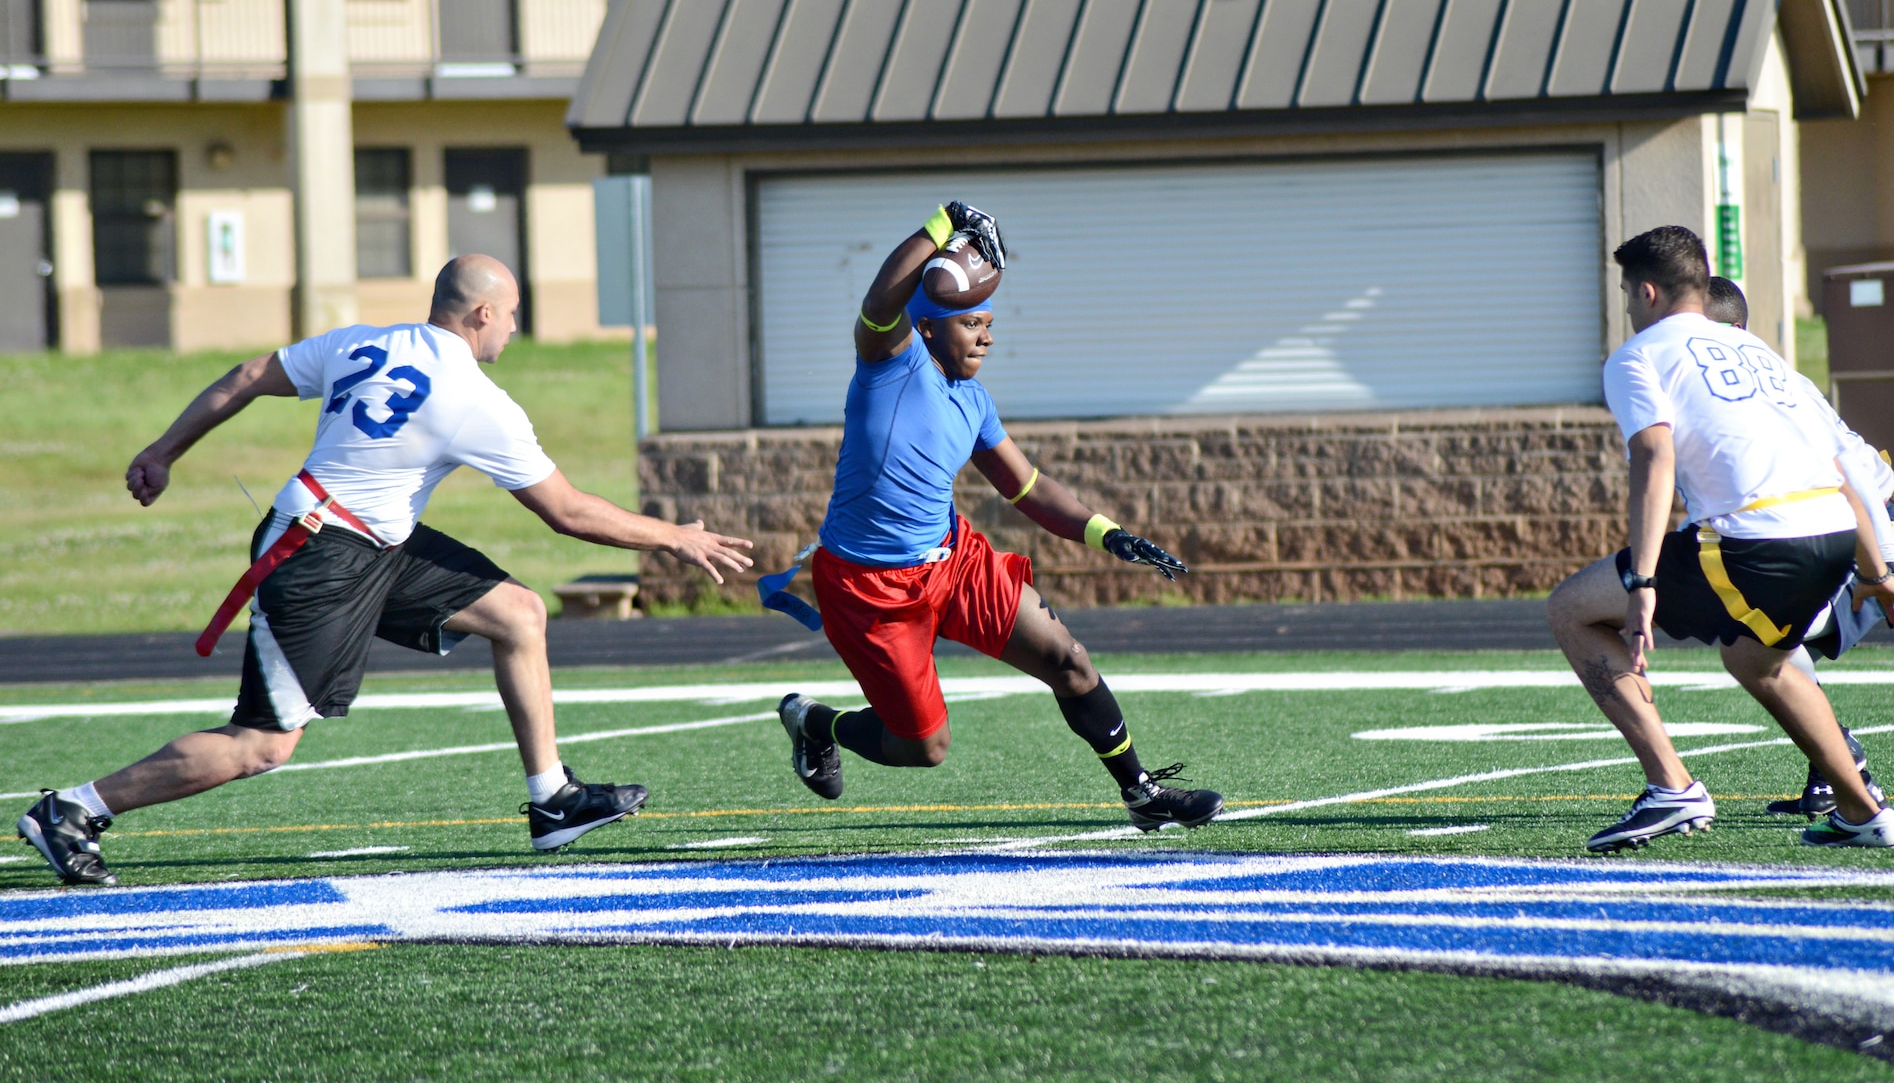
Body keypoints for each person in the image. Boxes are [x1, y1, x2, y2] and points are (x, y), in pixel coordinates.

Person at [17, 255, 754, 885]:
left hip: (368, 540)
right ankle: (75, 808)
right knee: (264, 744)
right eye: (514, 316)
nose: (517, 330)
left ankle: (551, 799)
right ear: (484, 313)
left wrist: (164, 450)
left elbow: (247, 375)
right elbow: (566, 511)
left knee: (518, 614)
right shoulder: (473, 399)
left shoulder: (362, 341)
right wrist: (674, 537)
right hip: (320, 555)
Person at [774, 202, 1225, 832]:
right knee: (923, 748)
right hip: (868, 587)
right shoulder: (889, 365)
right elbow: (881, 302)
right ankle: (815, 721)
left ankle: (1141, 793)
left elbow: (1028, 487)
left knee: (1068, 659)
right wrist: (941, 224)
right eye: (972, 324)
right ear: (928, 328)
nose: (987, 336)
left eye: (989, 323)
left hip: (952, 560)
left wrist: (1109, 533)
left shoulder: (975, 401)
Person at [1546, 227, 1894, 852]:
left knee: (1571, 609)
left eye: (1627, 295)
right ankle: (1864, 813)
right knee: (1754, 658)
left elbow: (1653, 457)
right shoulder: (1761, 353)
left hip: (1757, 538)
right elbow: (1838, 467)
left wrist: (1642, 583)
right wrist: (1878, 568)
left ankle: (1672, 788)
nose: (1629, 309)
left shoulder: (1638, 355)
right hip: (1835, 529)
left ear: (1646, 291)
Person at [1702, 276, 1894, 818]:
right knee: (1751, 624)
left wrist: (1885, 567)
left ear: (1731, 331)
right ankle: (1832, 767)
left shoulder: (1766, 384)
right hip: (1832, 529)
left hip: (1869, 535)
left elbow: (1848, 472)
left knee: (1757, 631)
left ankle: (1841, 763)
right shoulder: (1719, 384)